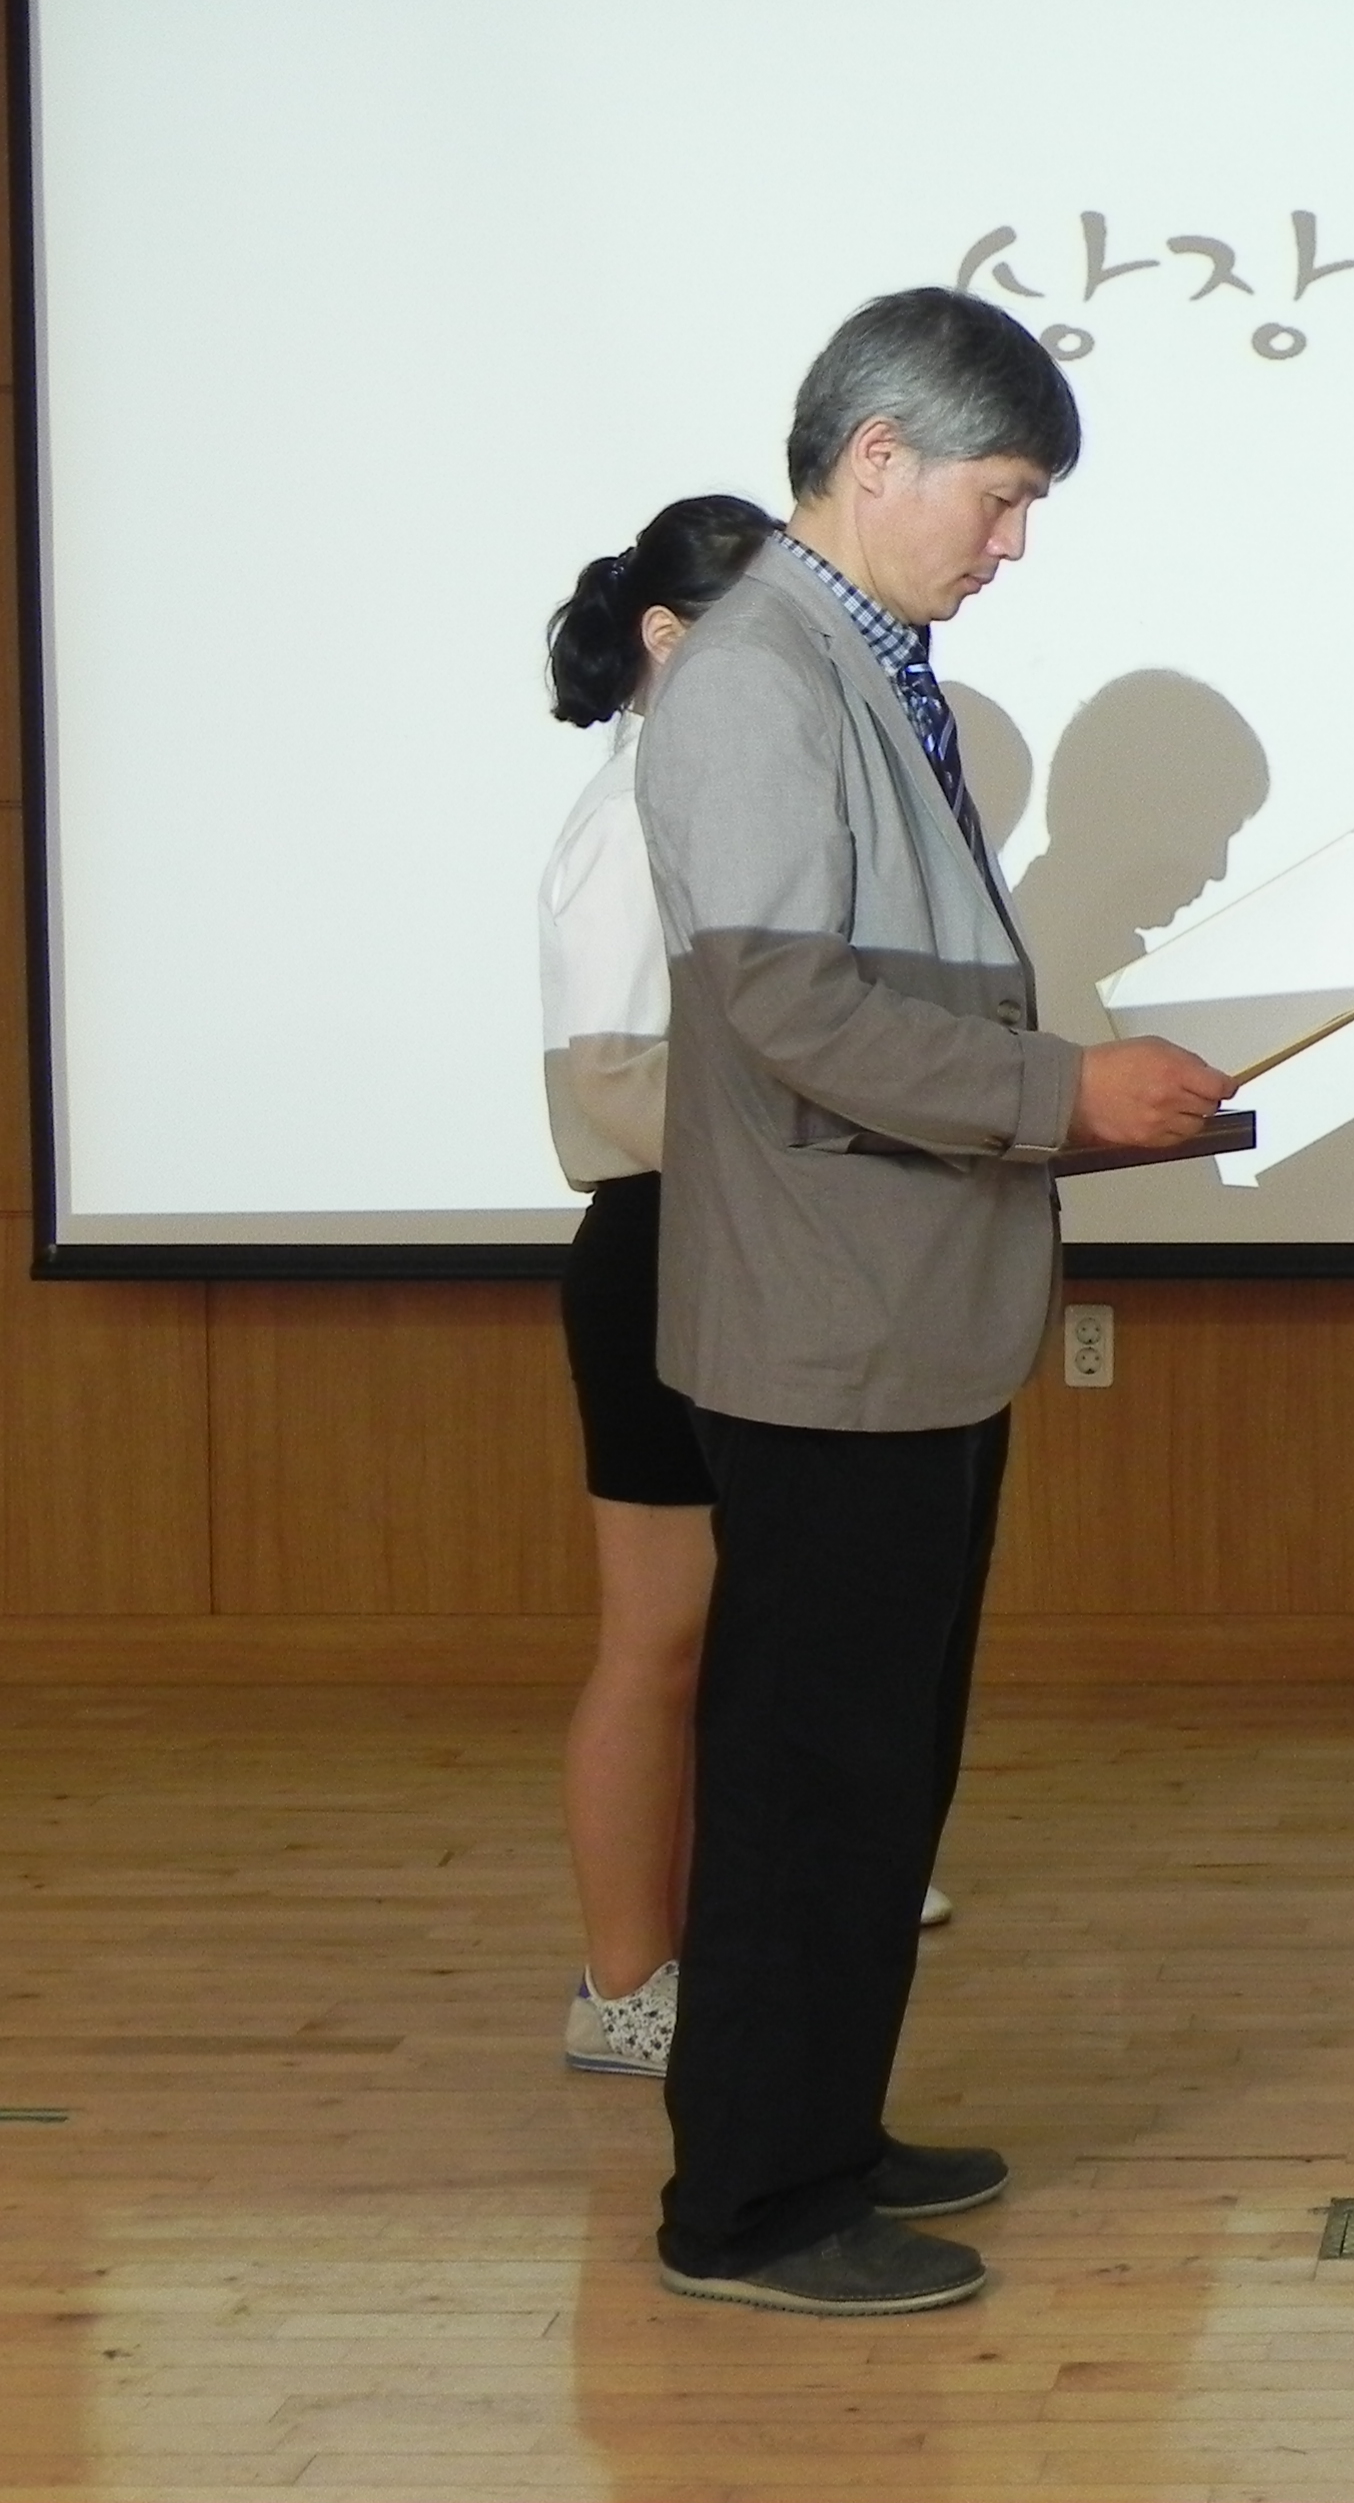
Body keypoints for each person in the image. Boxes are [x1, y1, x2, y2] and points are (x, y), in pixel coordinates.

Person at [637, 289, 1230, 2316]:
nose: (1014, 544)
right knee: (810, 1777)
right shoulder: (758, 678)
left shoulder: (854, 665)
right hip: (831, 1325)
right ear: (874, 456)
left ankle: (823, 2128)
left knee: (875, 1767)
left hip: (898, 1311)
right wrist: (1064, 1095)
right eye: (1001, 496)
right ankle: (750, 2205)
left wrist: (1075, 1103)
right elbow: (792, 1010)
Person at [536, 496, 963, 2086]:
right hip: (671, 1244)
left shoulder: (724, 796)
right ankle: (625, 1985)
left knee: (769, 1629)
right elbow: (610, 1084)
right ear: (669, 640)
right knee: (660, 1640)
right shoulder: (631, 814)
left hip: (760, 1240)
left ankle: (772, 1912)